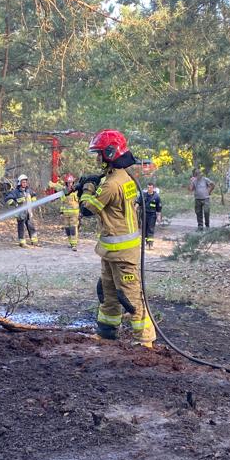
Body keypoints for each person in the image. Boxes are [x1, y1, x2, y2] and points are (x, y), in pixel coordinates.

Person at [78, 130, 156, 348]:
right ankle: (106, 332)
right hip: (112, 248)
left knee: (130, 297)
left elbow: (88, 209)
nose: (97, 159)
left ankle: (145, 340)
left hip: (123, 252)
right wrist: (96, 182)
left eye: (99, 154)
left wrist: (86, 188)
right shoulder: (121, 177)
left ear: (111, 153)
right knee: (108, 291)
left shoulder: (111, 184)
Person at [48, 172, 80, 251]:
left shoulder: (76, 191)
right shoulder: (63, 191)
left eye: (71, 182)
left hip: (74, 213)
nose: (70, 184)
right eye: (68, 183)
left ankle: (74, 244)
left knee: (73, 228)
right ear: (66, 183)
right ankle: (70, 242)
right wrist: (61, 212)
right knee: (67, 229)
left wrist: (81, 212)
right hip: (65, 214)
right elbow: (62, 202)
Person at [4, 174, 38, 248]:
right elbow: (7, 199)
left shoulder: (28, 190)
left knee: (31, 227)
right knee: (21, 228)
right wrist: (15, 203)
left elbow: (34, 195)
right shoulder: (15, 192)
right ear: (19, 183)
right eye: (23, 182)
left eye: (25, 182)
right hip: (20, 214)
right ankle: (22, 243)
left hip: (28, 213)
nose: (25, 183)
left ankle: (34, 241)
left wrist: (33, 201)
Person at [143, 182, 162, 249]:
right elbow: (138, 202)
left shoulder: (156, 197)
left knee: (150, 229)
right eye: (148, 187)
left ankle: (150, 245)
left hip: (152, 215)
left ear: (153, 188)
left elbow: (159, 208)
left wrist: (159, 217)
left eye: (150, 187)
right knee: (145, 229)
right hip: (144, 214)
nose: (149, 189)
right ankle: (146, 243)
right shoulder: (144, 195)